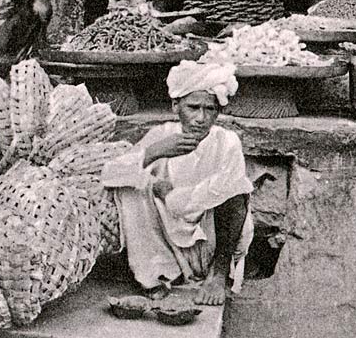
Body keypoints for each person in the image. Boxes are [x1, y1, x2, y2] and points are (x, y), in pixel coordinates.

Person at [101, 61, 253, 305]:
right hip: (167, 235)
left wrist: (171, 196)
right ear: (175, 106)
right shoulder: (163, 135)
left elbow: (223, 192)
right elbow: (109, 174)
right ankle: (154, 274)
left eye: (210, 109)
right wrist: (153, 153)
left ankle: (217, 276)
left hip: (208, 237)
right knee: (130, 186)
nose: (201, 118)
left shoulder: (227, 141)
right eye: (193, 108)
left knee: (238, 189)